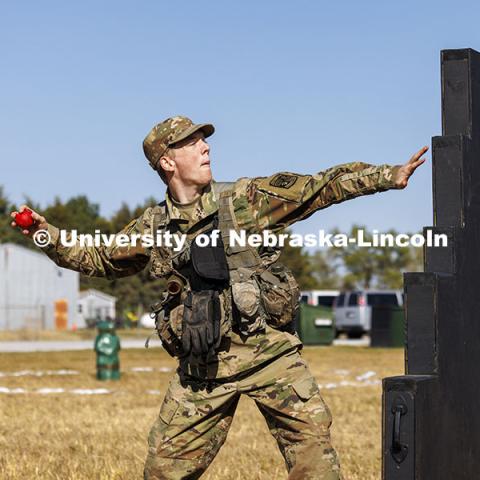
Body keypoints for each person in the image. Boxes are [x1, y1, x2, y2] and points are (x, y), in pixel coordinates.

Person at [11, 116, 427, 479]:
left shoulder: (244, 201)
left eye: (204, 139)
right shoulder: (154, 226)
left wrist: (386, 176)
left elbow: (320, 187)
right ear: (167, 161)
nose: (206, 147)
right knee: (162, 471)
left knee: (315, 462)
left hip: (271, 359)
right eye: (191, 142)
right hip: (203, 371)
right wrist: (43, 233)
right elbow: (97, 256)